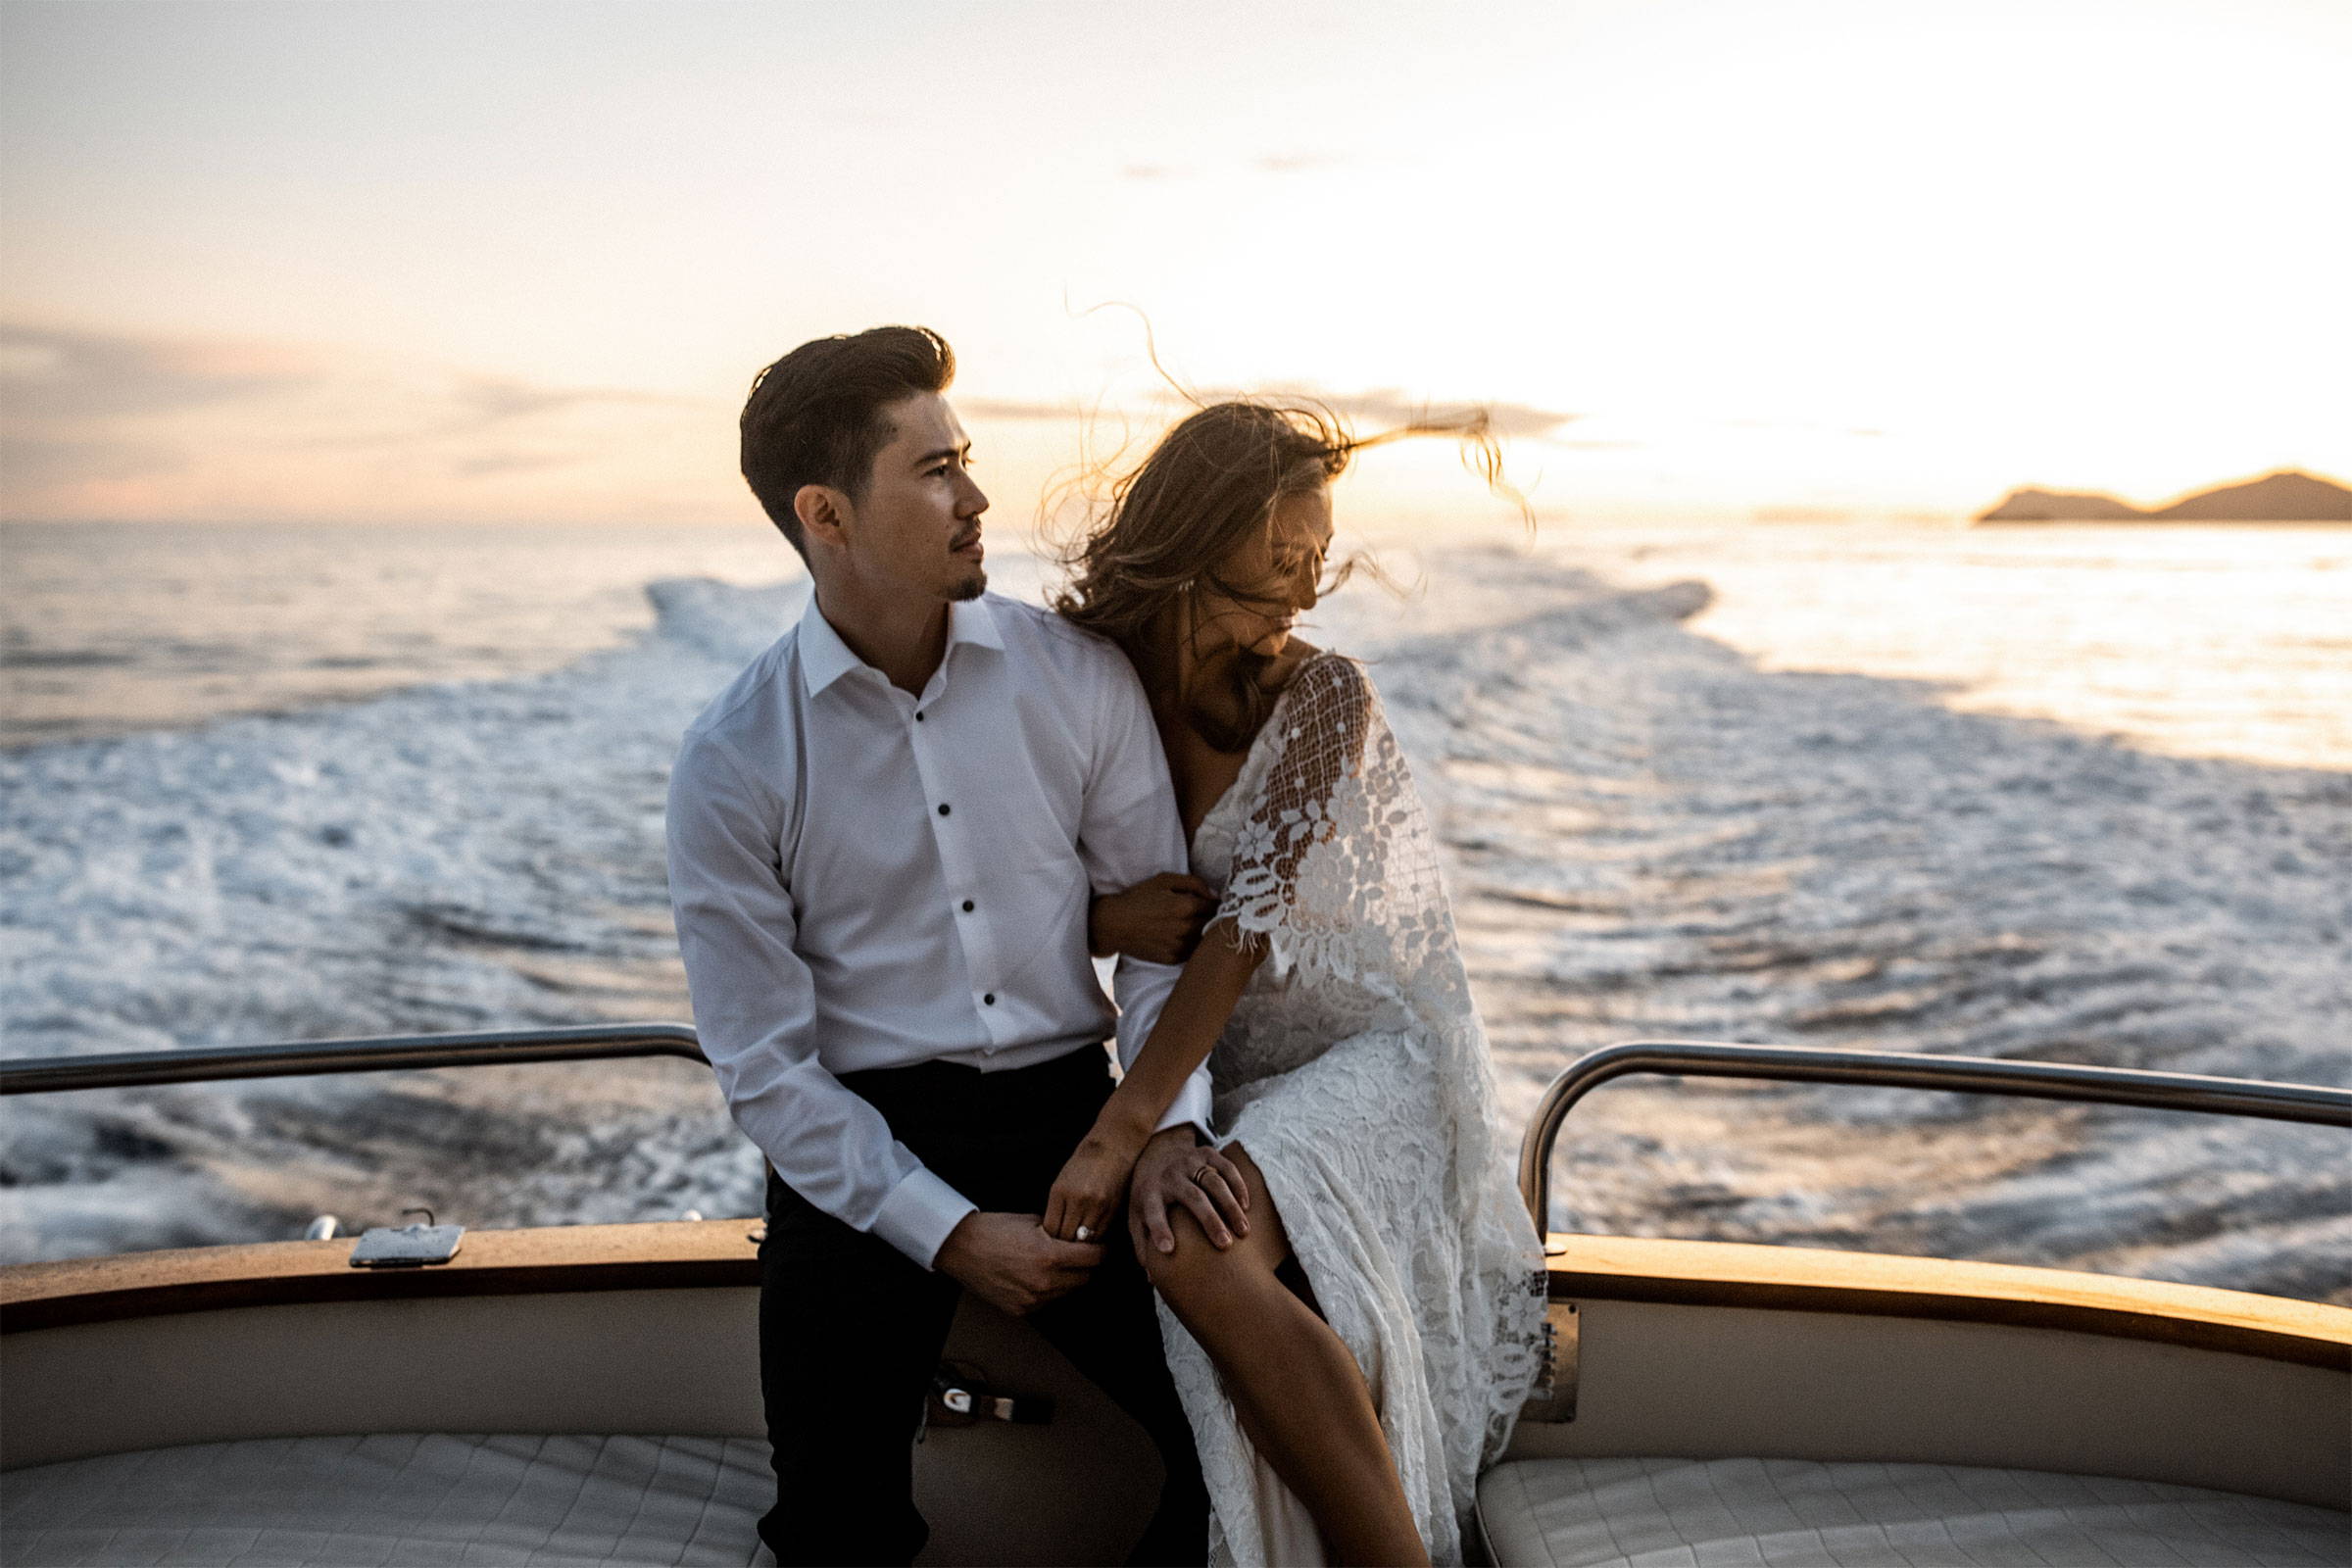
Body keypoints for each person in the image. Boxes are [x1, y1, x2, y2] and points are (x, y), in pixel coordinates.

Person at [663, 325, 1214, 1566]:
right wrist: (954, 1231)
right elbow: (764, 1068)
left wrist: (1159, 1124)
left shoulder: (1074, 679)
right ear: (826, 514)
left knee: (1236, 1442)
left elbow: (1165, 934)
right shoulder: (734, 757)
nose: (976, 498)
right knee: (834, 1526)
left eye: (964, 460)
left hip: (1082, 1121)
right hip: (858, 1152)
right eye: (932, 471)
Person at [1045, 402, 1549, 1566]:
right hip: (1215, 1067)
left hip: (1375, 1058)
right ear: (1204, 527)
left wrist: (1126, 1132)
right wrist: (1094, 916)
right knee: (1184, 1240)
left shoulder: (1325, 697)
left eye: (1319, 556)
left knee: (1184, 1240)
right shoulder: (1081, 685)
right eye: (1284, 553)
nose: (1307, 585)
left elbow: (1236, 936)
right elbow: (1002, 888)